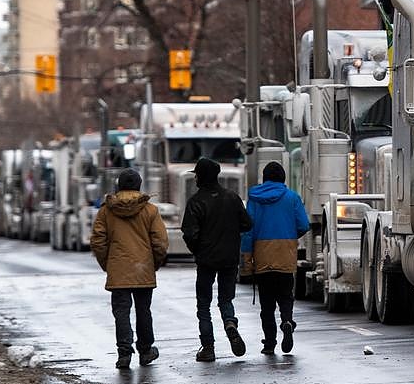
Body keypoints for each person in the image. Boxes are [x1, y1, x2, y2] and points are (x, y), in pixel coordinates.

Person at [90, 168, 168, 369]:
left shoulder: (107, 210)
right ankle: (145, 350)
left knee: (121, 313)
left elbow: (98, 241)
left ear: (118, 186)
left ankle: (124, 354)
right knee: (144, 311)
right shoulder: (150, 210)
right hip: (143, 268)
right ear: (139, 186)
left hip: (118, 269)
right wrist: (154, 263)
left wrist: (108, 263)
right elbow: (160, 242)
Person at [181, 157, 253, 362]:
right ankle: (230, 322)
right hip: (229, 258)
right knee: (225, 299)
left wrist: (198, 251)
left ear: (201, 177)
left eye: (196, 174)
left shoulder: (195, 202)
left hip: (206, 260)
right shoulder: (232, 197)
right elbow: (247, 224)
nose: (194, 178)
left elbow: (189, 233)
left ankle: (208, 347)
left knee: (204, 304)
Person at [241, 161, 309, 354]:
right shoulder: (292, 198)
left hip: (262, 258)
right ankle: (287, 321)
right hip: (285, 256)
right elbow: (303, 225)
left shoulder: (254, 199)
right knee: (286, 297)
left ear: (264, 178)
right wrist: (289, 235)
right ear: (283, 178)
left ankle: (269, 343)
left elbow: (247, 231)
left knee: (267, 304)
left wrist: (246, 260)